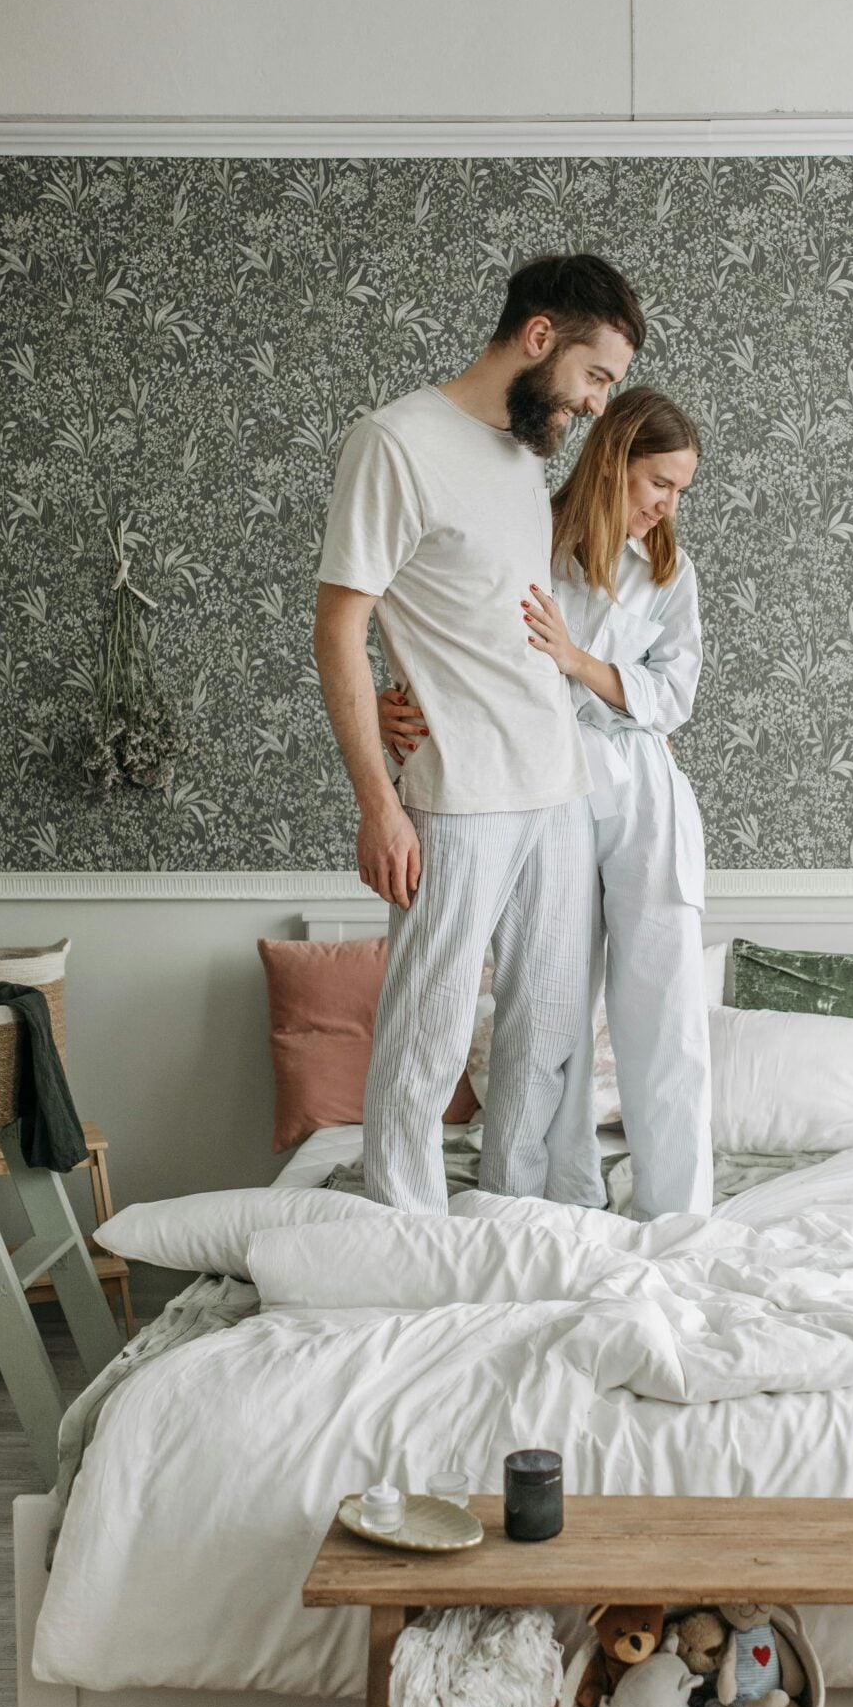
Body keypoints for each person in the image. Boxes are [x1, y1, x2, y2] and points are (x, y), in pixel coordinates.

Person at [314, 254, 646, 1216]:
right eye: (594, 377)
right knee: (428, 1032)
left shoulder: (518, 457)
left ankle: (514, 1218)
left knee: (544, 1030)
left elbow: (478, 617)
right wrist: (378, 799)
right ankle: (409, 1236)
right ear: (539, 337)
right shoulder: (394, 442)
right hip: (457, 799)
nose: (592, 404)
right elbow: (340, 625)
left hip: (557, 786)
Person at [381, 385, 711, 1220]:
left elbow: (674, 695)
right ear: (615, 458)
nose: (667, 506)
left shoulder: (667, 567)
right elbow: (463, 636)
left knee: (664, 1013)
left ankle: (676, 1214)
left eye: (679, 491)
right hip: (545, 785)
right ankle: (560, 1201)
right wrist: (404, 695)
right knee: (553, 1008)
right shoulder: (532, 534)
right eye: (659, 484)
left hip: (639, 793)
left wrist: (579, 662)